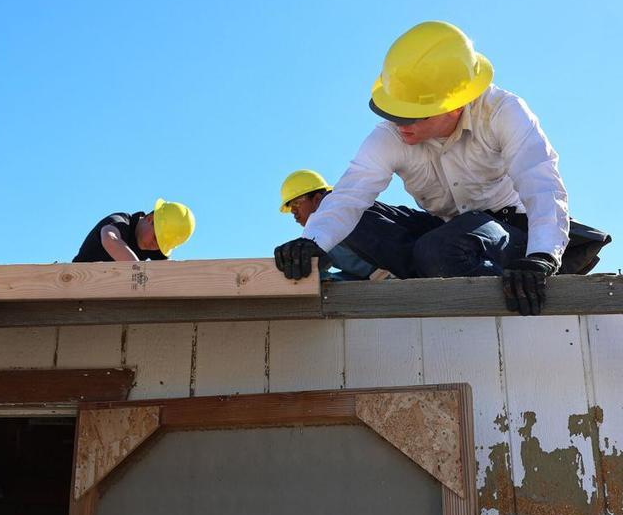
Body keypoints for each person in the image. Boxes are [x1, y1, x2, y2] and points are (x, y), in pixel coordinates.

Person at [274, 20, 609, 316]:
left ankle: (485, 276)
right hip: (447, 231)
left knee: (439, 250)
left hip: (508, 232)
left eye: (411, 116)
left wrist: (542, 256)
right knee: (358, 223)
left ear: (454, 106)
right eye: (395, 112)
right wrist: (313, 243)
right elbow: (351, 193)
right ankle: (435, 268)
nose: (399, 124)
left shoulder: (501, 112)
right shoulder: (391, 134)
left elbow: (542, 183)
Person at [279, 170, 375, 280]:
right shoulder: (318, 237)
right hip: (366, 279)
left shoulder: (345, 213)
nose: (293, 211)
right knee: (317, 280)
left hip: (388, 273)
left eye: (296, 203)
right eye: (291, 207)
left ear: (317, 199)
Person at [73, 199, 195, 262]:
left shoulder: (154, 246)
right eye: (156, 238)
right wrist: (139, 271)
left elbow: (167, 272)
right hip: (79, 284)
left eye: (162, 245)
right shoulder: (121, 222)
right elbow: (109, 238)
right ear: (150, 218)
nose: (156, 246)